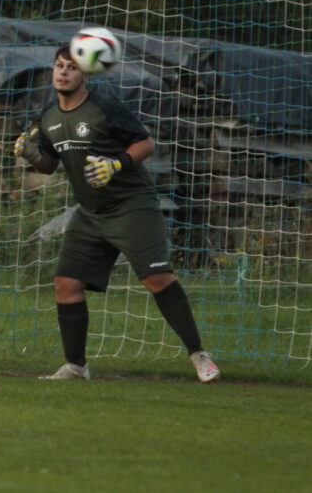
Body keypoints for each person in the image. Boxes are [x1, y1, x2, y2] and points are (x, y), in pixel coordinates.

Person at [14, 45, 220, 383]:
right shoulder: (48, 116)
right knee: (66, 283)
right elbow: (49, 166)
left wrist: (115, 164)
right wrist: (32, 154)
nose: (63, 72)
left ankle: (199, 355)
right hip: (91, 213)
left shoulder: (103, 107)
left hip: (131, 206)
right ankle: (76, 367)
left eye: (71, 67)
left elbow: (145, 144)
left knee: (156, 279)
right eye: (59, 65)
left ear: (85, 74)